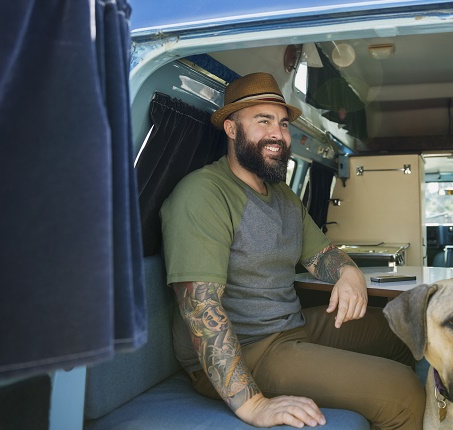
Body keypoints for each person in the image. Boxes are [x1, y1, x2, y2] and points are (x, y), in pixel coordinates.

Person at [160, 72, 424, 429]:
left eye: (283, 124)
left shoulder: (283, 195)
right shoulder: (203, 194)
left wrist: (348, 273)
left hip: (292, 327)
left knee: (403, 333)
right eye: (262, 121)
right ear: (231, 129)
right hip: (246, 351)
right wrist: (253, 405)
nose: (278, 134)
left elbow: (321, 255)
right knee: (403, 391)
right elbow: (200, 310)